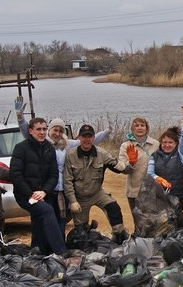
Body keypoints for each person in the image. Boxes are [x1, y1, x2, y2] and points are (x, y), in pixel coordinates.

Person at [15, 96, 112, 229]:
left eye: (61, 130)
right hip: (46, 188)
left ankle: (60, 245)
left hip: (63, 188)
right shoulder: (42, 142)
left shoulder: (67, 144)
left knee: (61, 219)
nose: (57, 133)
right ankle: (44, 247)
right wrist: (20, 117)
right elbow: (27, 132)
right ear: (49, 129)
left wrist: (106, 132)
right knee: (44, 220)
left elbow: (87, 141)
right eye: (55, 130)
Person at [63, 124, 130, 244]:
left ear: (94, 138)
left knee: (113, 208)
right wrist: (72, 201)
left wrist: (126, 165)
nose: (87, 140)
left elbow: (117, 166)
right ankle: (85, 246)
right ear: (79, 138)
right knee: (80, 231)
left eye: (89, 137)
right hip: (80, 197)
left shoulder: (102, 154)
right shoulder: (70, 155)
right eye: (84, 137)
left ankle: (119, 238)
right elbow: (67, 181)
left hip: (97, 193)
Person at [10, 117, 66, 255]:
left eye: (44, 129)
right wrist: (31, 194)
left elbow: (53, 175)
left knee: (39, 220)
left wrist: (44, 192)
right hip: (25, 195)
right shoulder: (21, 148)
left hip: (43, 193)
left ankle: (38, 251)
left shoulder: (49, 148)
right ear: (30, 131)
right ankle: (61, 252)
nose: (42, 132)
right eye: (38, 129)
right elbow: (15, 175)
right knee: (46, 210)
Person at [147, 100, 183, 211]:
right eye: (164, 142)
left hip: (177, 195)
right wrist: (159, 179)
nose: (167, 145)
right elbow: (150, 173)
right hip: (158, 195)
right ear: (161, 143)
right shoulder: (154, 156)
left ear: (176, 143)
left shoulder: (180, 154)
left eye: (170, 142)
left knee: (176, 222)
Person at [118, 117, 160, 211]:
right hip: (134, 190)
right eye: (136, 125)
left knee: (154, 220)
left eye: (142, 125)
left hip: (153, 190)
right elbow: (122, 169)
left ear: (147, 128)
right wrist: (131, 163)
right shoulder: (126, 146)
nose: (140, 128)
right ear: (132, 129)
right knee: (138, 221)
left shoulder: (156, 144)